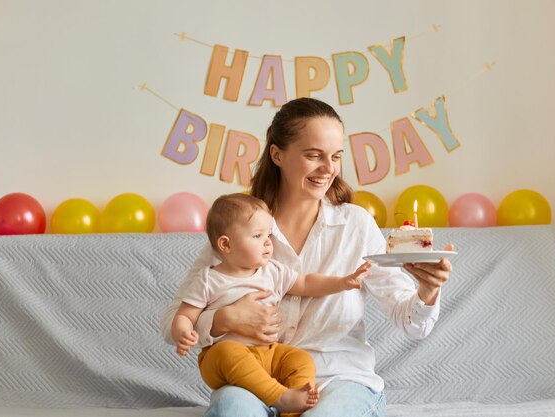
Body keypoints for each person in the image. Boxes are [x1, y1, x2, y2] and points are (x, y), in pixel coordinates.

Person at [160, 97, 453, 417]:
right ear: (277, 154)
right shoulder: (241, 228)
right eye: (314, 155)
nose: (328, 169)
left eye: (336, 157)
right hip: (256, 380)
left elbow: (412, 323)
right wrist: (222, 320)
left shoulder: (355, 225)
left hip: (338, 379)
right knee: (232, 409)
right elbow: (171, 322)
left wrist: (428, 290)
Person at [170, 193, 371, 415]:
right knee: (228, 351)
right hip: (221, 360)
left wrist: (342, 282)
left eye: (269, 235)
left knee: (300, 359)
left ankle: (294, 407)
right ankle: (279, 396)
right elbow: (185, 315)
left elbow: (305, 283)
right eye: (257, 236)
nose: (268, 242)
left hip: (269, 353)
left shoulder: (271, 271)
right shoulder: (209, 279)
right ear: (226, 244)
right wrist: (183, 332)